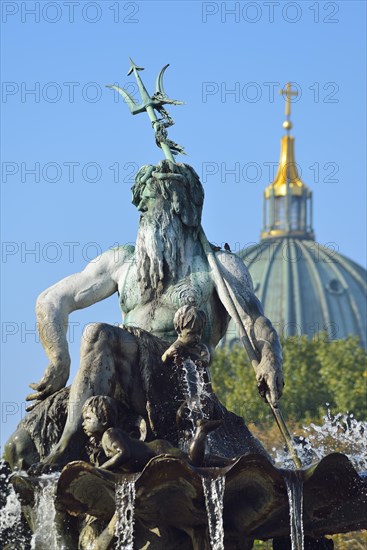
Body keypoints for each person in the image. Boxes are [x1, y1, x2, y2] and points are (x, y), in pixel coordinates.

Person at [26, 160, 283, 468]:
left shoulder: (218, 265)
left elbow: (253, 320)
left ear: (181, 208)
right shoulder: (124, 261)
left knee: (97, 333)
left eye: (150, 205)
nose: (143, 215)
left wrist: (268, 359)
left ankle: (70, 445)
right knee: (28, 437)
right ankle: (68, 440)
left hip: (178, 381)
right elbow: (51, 300)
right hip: (121, 381)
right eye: (141, 207)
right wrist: (58, 358)